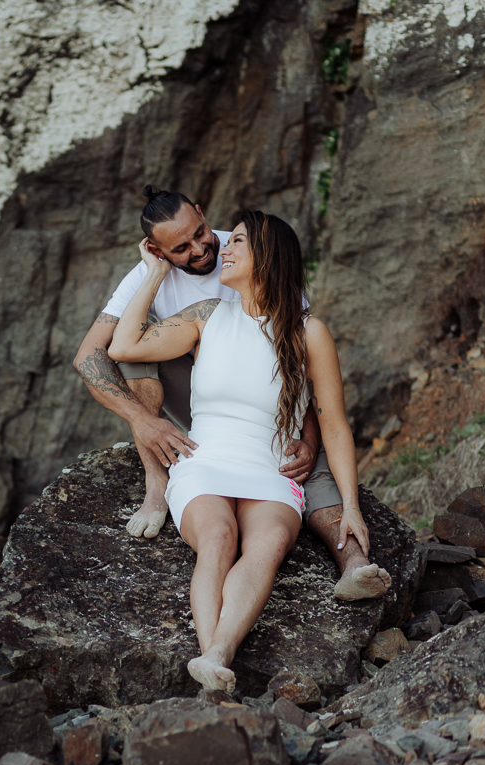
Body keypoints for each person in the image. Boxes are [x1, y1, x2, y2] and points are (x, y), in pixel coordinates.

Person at [72, 188, 389, 602]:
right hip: (203, 402)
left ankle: (355, 564)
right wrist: (145, 421)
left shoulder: (252, 249)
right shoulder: (149, 274)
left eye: (201, 232)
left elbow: (301, 374)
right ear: (157, 249)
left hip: (269, 406)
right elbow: (92, 355)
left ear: (202, 214)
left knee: (311, 470)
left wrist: (309, 441)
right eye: (181, 248)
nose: (203, 248)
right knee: (135, 349)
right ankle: (157, 480)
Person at [106, 209, 368, 692]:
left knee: (267, 546)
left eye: (238, 242)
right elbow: (123, 346)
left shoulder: (309, 332)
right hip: (203, 463)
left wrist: (350, 507)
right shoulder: (206, 317)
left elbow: (333, 423)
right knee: (219, 539)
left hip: (271, 470)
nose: (223, 248)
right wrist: (155, 271)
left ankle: (219, 653)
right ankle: (212, 659)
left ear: (267, 257)